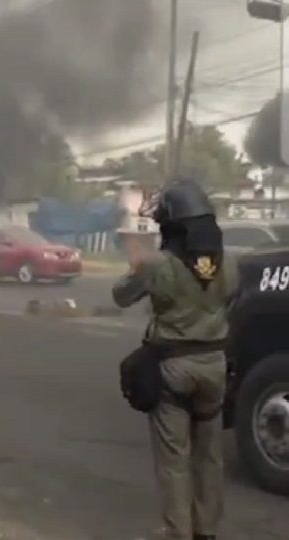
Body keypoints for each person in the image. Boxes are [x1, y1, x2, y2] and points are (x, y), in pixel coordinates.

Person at [113, 178, 237, 540]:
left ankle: (178, 532)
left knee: (174, 458)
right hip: (215, 365)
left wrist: (138, 264)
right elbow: (226, 298)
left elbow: (121, 296)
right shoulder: (230, 263)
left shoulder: (159, 264)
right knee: (210, 457)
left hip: (174, 367)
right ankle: (207, 530)